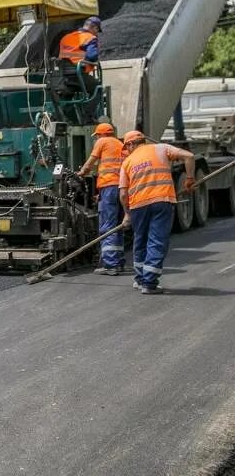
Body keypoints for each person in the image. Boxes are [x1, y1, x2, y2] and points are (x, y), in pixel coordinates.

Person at [118, 130, 195, 294]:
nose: (127, 150)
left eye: (127, 147)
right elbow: (189, 156)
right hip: (161, 201)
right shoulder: (161, 148)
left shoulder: (127, 162)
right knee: (157, 241)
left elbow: (123, 193)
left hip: (138, 206)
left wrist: (127, 214)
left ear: (131, 144)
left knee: (140, 241)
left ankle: (140, 280)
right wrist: (189, 179)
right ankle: (149, 283)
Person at [77, 122, 126, 275]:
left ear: (101, 134)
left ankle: (110, 265)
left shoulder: (102, 142)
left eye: (96, 135)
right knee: (118, 225)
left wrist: (80, 174)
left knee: (107, 225)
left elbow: (91, 162)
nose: (96, 138)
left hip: (109, 186)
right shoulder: (120, 144)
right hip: (122, 187)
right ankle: (118, 262)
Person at [59, 16, 102, 95]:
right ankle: (91, 108)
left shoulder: (65, 37)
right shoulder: (90, 38)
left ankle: (66, 107)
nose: (97, 33)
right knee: (97, 88)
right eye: (97, 30)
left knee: (68, 97)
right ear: (95, 27)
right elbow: (92, 56)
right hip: (78, 75)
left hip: (63, 76)